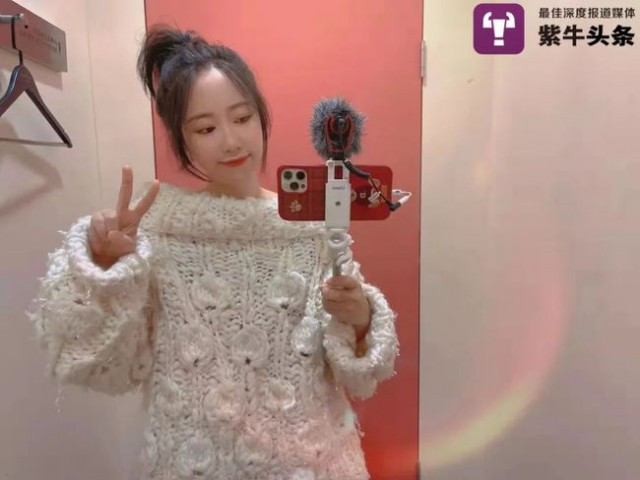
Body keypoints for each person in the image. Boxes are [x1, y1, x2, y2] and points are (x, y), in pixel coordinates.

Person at [28, 24, 398, 480]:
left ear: (261, 117)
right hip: (191, 465)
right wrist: (108, 266)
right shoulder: (157, 231)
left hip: (313, 463)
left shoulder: (311, 231)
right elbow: (105, 367)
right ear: (181, 140)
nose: (231, 140)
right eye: (206, 128)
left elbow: (361, 376)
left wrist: (360, 318)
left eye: (242, 118)